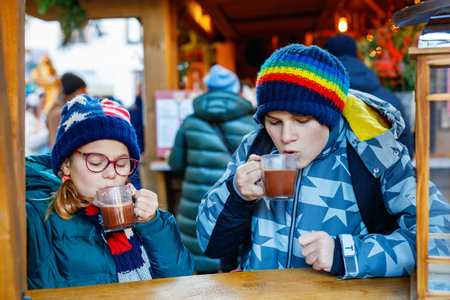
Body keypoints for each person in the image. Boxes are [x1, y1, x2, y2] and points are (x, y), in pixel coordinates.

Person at [196, 44, 449, 279]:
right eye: (274, 122)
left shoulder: (375, 154)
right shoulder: (255, 147)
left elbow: (440, 241)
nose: (285, 137)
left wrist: (347, 254)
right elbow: (209, 244)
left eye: (302, 120)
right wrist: (235, 196)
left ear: (328, 116)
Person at [26, 95, 194, 289]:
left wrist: (153, 224)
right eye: (96, 162)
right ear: (66, 165)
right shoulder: (38, 213)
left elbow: (180, 280)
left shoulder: (136, 213)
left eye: (121, 164)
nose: (111, 173)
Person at [169, 64, 259, 273]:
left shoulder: (190, 122)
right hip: (230, 210)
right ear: (236, 91)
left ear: (207, 90)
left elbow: (176, 164)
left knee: (198, 279)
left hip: (194, 209)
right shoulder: (251, 126)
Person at [323, 33, 415, 158]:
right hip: (384, 174)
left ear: (325, 57)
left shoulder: (319, 101)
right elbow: (406, 147)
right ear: (356, 55)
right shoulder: (388, 99)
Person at [47, 72, 88, 148]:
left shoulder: (60, 109)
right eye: (82, 90)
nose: (86, 93)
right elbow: (55, 144)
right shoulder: (60, 112)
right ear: (72, 92)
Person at [25, 87, 49, 156]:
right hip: (30, 157)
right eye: (42, 102)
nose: (44, 105)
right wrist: (49, 132)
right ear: (34, 100)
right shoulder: (28, 117)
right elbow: (31, 142)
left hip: (38, 155)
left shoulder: (40, 117)